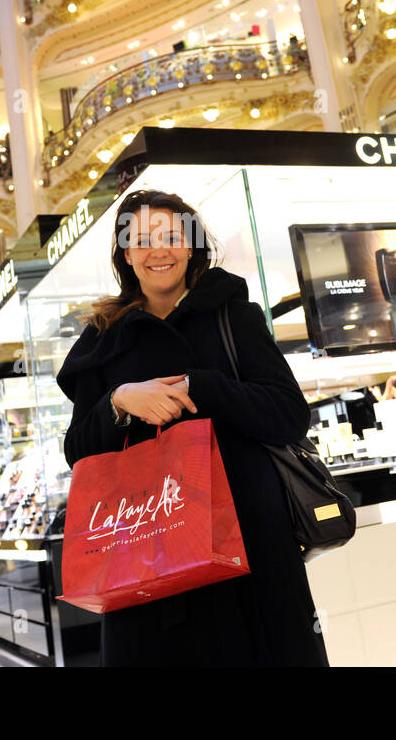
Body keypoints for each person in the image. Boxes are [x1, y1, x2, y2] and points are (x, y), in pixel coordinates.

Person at [56, 188, 328, 666]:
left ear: (191, 244)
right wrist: (119, 402)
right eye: (141, 240)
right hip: (146, 550)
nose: (157, 250)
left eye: (170, 236)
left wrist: (200, 386)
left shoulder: (232, 315)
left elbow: (289, 413)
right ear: (125, 253)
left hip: (249, 546)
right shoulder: (104, 336)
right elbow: (78, 449)